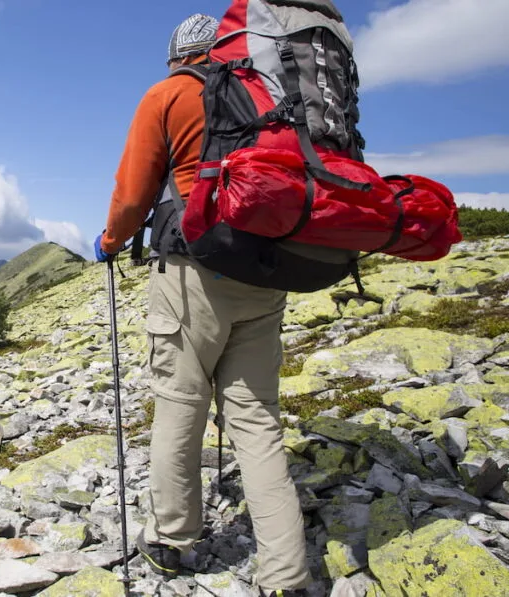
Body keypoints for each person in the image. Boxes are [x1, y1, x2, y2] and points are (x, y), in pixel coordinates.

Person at [92, 12, 312, 597]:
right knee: (257, 422)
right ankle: (287, 573)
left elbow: (133, 193)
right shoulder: (270, 93)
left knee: (181, 404)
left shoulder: (169, 95)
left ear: (178, 57)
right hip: (265, 273)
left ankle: (172, 539)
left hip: (192, 271)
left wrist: (111, 242)